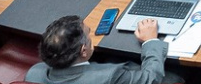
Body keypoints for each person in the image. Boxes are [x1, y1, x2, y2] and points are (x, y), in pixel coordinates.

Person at [29, 13, 168, 84]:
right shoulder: (109, 76)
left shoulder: (33, 74)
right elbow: (150, 79)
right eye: (88, 34)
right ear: (83, 51)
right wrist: (150, 40)